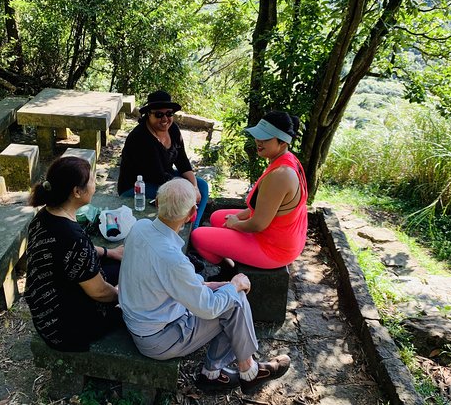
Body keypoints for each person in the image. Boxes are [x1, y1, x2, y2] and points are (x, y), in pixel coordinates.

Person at [118, 178, 291, 394]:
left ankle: (219, 373)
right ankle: (245, 372)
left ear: (157, 202)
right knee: (234, 302)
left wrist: (223, 285)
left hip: (143, 320)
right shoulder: (173, 259)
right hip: (159, 339)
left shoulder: (140, 227)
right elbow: (207, 308)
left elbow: (169, 280)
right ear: (192, 213)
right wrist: (234, 285)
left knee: (229, 293)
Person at [25, 156, 124, 352]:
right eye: (92, 181)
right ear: (77, 192)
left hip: (45, 313)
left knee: (123, 266)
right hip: (66, 329)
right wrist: (122, 295)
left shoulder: (45, 215)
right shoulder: (72, 237)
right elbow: (100, 292)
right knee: (139, 293)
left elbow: (73, 254)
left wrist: (109, 253)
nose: (95, 185)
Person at [190, 111, 308, 270]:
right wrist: (237, 218)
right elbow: (262, 209)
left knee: (198, 237)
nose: (258, 141)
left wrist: (235, 224)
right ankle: (233, 261)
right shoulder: (286, 160)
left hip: (274, 249)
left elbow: (258, 224)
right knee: (218, 217)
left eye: (265, 138)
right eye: (258, 136)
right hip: (282, 236)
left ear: (283, 142)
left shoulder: (280, 175)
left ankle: (229, 272)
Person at [117, 90, 209, 228]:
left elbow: (183, 163)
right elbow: (158, 175)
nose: (165, 119)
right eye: (159, 115)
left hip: (164, 178)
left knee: (202, 186)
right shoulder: (140, 138)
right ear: (149, 115)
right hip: (138, 186)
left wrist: (194, 187)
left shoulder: (173, 130)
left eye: (169, 113)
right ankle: (178, 227)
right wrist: (188, 189)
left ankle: (193, 227)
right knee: (181, 195)